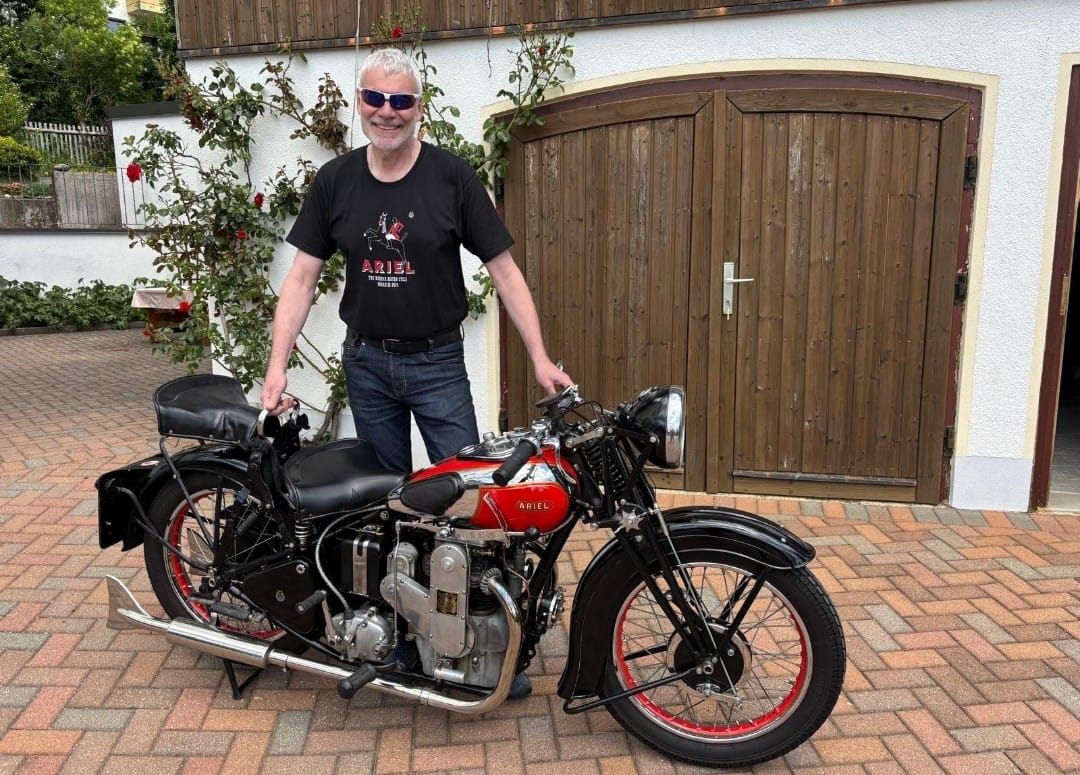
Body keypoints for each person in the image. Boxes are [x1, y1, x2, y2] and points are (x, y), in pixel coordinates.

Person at [260, 47, 572, 478]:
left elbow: (504, 272)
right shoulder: (335, 180)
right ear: (360, 101)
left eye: (401, 101)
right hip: (366, 363)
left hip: (437, 363)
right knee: (383, 493)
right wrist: (277, 366)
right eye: (375, 98)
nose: (387, 112)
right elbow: (300, 279)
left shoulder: (452, 178)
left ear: (419, 109)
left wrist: (540, 357)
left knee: (465, 482)